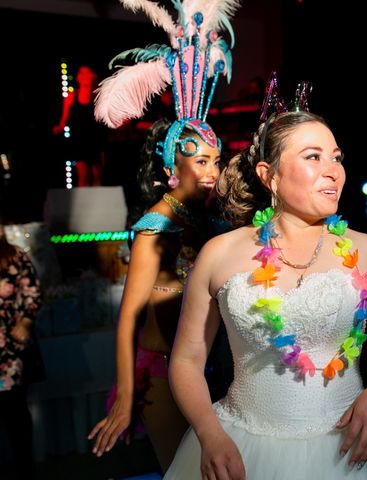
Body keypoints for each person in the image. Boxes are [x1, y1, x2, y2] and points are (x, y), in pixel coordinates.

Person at [165, 100, 367, 478]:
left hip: (347, 450)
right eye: (313, 157)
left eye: (337, 158)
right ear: (269, 175)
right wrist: (210, 433)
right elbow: (186, 360)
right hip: (241, 446)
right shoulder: (219, 254)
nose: (333, 173)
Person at [88, 1, 238, 471]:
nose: (212, 172)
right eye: (200, 162)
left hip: (203, 371)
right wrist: (126, 399)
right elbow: (129, 318)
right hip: (160, 377)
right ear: (173, 168)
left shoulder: (206, 219)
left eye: (215, 160)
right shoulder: (156, 227)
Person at [0, 225, 42, 479]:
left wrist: (25, 322)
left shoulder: (13, 256)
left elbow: (33, 291)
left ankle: (26, 470)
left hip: (9, 352)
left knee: (15, 413)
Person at [52, 65, 107, 187]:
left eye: (88, 74)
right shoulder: (71, 97)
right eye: (83, 74)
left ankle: (98, 203)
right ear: (78, 78)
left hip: (95, 140)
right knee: (83, 176)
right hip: (79, 141)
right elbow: (64, 119)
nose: (86, 77)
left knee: (97, 175)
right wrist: (59, 127)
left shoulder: (97, 97)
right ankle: (82, 204)